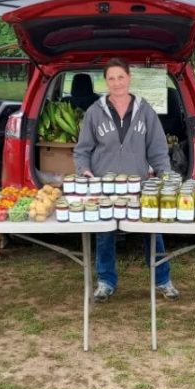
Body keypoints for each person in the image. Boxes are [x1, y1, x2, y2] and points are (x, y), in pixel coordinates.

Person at [73, 57, 180, 302]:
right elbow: (82, 149)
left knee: (153, 231)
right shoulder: (94, 112)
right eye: (111, 78)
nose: (116, 82)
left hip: (139, 184)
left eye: (120, 77)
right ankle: (105, 281)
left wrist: (164, 175)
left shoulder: (145, 110)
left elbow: (157, 148)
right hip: (105, 185)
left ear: (129, 78)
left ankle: (163, 280)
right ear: (106, 81)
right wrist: (84, 170)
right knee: (105, 233)